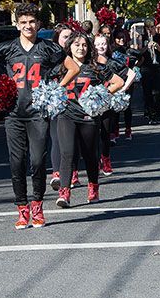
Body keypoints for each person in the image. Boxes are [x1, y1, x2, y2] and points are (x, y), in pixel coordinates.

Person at [0, 4, 79, 229]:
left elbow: (73, 68)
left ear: (39, 24)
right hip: (14, 114)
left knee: (37, 161)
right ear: (17, 25)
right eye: (23, 22)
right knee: (16, 162)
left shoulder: (48, 48)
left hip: (37, 113)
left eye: (32, 22)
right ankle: (22, 209)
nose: (28, 26)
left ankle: (37, 206)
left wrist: (56, 89)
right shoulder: (7, 48)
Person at [55, 32, 124, 208]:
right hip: (66, 114)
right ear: (69, 47)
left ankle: (93, 186)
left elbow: (119, 82)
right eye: (77, 44)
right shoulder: (60, 67)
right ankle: (64, 192)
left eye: (84, 45)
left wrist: (101, 96)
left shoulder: (96, 67)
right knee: (67, 153)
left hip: (88, 116)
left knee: (90, 155)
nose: (81, 48)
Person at [94, 34, 135, 175]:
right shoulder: (88, 62)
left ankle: (105, 159)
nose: (100, 47)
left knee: (105, 133)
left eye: (103, 44)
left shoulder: (113, 62)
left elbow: (131, 74)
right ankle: (82, 166)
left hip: (106, 102)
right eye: (97, 44)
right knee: (89, 134)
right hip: (89, 102)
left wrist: (122, 89)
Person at [48, 24, 75, 191]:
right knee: (56, 137)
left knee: (74, 142)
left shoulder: (79, 54)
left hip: (75, 102)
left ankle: (73, 171)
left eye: (70, 37)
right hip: (56, 102)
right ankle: (57, 173)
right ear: (57, 39)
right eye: (65, 37)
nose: (68, 40)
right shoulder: (51, 55)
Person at [111, 29, 138, 140]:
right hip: (114, 80)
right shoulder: (111, 51)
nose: (121, 40)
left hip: (127, 80)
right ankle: (115, 130)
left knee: (127, 106)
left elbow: (139, 57)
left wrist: (133, 66)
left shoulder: (129, 50)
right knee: (114, 107)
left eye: (123, 38)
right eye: (119, 38)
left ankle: (128, 129)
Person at [139, 18, 160, 124]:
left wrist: (157, 46)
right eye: (147, 27)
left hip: (157, 66)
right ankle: (150, 114)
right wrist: (146, 47)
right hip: (146, 67)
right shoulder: (142, 37)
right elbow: (139, 52)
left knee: (157, 92)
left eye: (152, 27)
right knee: (147, 92)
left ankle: (157, 113)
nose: (150, 29)